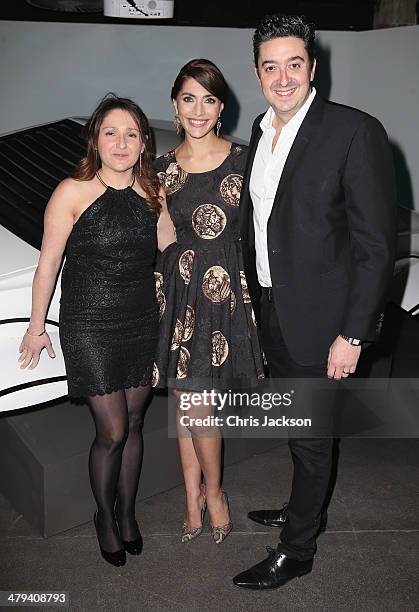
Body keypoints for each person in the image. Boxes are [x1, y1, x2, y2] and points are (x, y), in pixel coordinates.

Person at [233, 14, 396, 589]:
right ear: (257, 74)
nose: (283, 78)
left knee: (310, 433)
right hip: (273, 310)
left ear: (313, 68)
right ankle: (304, 506)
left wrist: (352, 334)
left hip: (325, 321)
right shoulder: (259, 130)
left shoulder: (354, 131)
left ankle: (297, 548)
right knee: (298, 427)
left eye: (293, 64)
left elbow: (376, 246)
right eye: (270, 66)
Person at [18, 94, 172, 567]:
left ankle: (127, 512)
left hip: (142, 319)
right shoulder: (72, 191)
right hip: (90, 324)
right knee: (113, 429)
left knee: (138, 422)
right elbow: (48, 267)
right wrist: (36, 326)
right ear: (96, 140)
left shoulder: (154, 190)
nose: (121, 142)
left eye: (131, 133)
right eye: (111, 132)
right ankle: (104, 515)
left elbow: (173, 252)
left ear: (143, 141)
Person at [153, 59, 265, 545]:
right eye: (189, 98)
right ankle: (192, 496)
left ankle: (212, 493)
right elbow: (161, 240)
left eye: (209, 99)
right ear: (174, 105)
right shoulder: (159, 170)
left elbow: (264, 230)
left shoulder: (245, 159)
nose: (199, 110)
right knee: (187, 404)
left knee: (200, 408)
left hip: (227, 294)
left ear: (222, 107)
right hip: (179, 295)